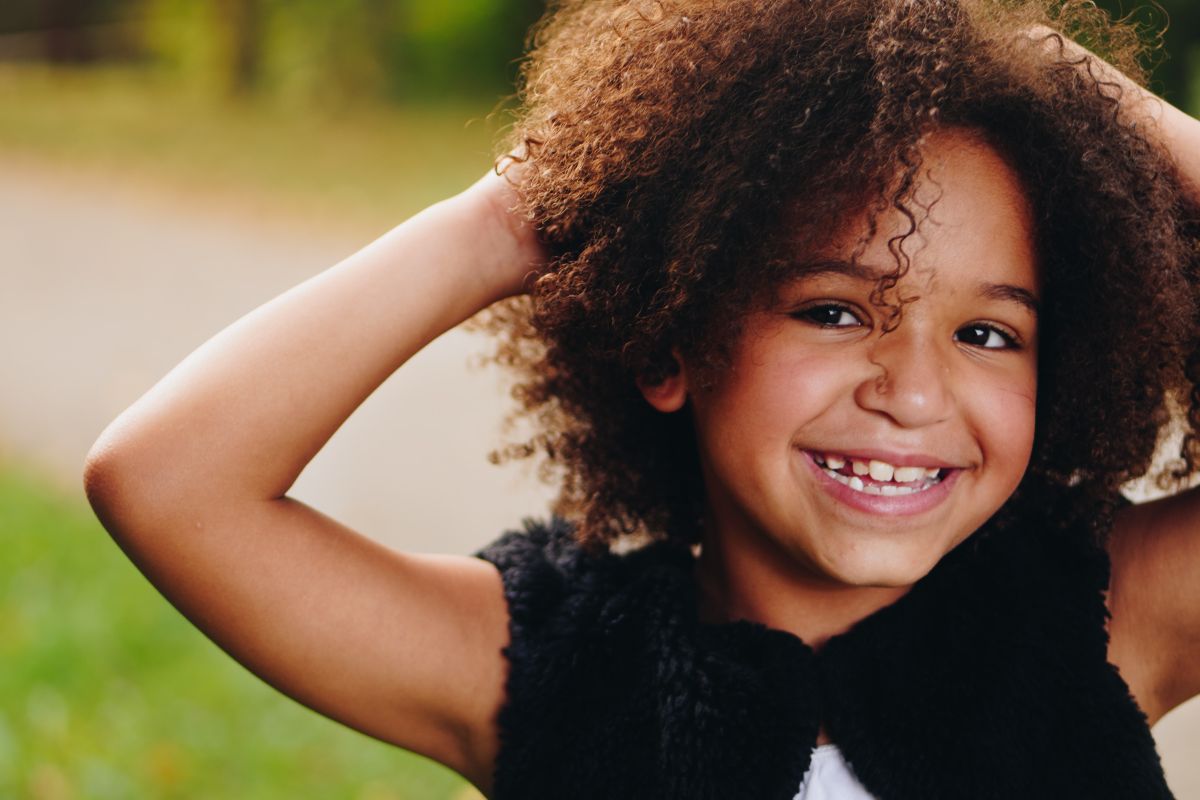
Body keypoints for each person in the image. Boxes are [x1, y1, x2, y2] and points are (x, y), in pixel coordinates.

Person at [83, 0, 1200, 797]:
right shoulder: (545, 663)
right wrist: (522, 214)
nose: (913, 389)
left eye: (989, 332)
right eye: (834, 310)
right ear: (672, 339)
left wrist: (1080, 89)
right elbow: (166, 482)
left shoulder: (1105, 617)